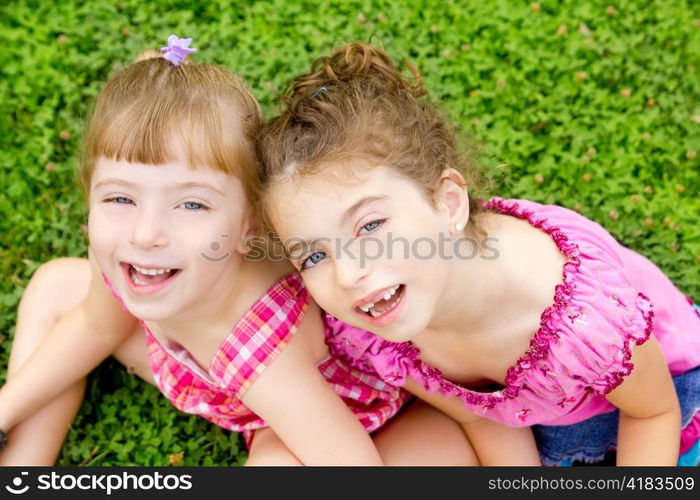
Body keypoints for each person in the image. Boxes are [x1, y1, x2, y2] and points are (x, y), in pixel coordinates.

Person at [0, 37, 477, 466]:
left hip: (352, 418)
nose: (144, 234)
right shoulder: (135, 258)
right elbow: (96, 325)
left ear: (249, 223)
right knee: (53, 286)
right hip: (225, 383)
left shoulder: (261, 352)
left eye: (191, 203)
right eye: (120, 198)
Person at [257, 41, 700, 466]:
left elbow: (652, 412)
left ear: (448, 203)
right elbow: (476, 412)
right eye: (313, 256)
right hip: (542, 421)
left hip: (655, 407)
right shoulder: (383, 320)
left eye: (370, 226)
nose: (348, 274)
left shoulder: (581, 322)